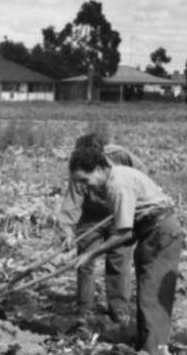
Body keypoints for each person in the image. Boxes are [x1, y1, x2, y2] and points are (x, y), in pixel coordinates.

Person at [68, 144, 183, 355]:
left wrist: (91, 254)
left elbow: (123, 233)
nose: (83, 187)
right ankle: (144, 351)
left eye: (84, 180)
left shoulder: (117, 185)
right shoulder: (114, 179)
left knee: (152, 298)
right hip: (150, 233)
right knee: (145, 296)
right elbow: (129, 226)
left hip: (160, 233)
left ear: (99, 169)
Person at [57, 132, 144, 322]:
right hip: (91, 215)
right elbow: (72, 200)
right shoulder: (80, 168)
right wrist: (67, 231)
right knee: (84, 261)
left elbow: (141, 178)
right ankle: (84, 310)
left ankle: (119, 310)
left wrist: (130, 204)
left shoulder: (121, 156)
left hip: (119, 214)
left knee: (119, 262)